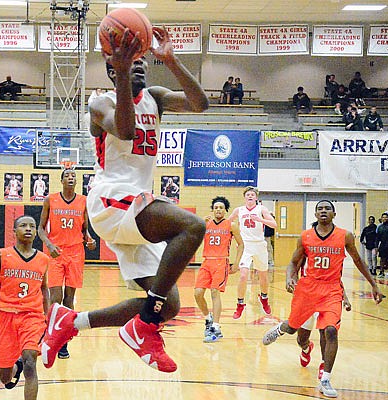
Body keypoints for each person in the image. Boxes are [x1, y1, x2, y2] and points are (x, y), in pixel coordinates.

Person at [40, 26, 209, 373]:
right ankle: (144, 327)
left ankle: (70, 322)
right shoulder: (100, 103)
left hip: (135, 204)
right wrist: (121, 76)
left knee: (170, 305)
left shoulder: (156, 97)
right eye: (133, 61)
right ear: (112, 68)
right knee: (192, 226)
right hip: (111, 200)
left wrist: (173, 62)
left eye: (144, 60)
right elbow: (127, 131)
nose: (141, 65)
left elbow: (200, 104)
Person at [262, 200, 382, 398]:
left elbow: (358, 261)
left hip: (331, 290)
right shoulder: (306, 236)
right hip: (308, 289)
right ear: (315, 214)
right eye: (320, 209)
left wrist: (374, 284)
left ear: (334, 214)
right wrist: (289, 277)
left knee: (331, 331)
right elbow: (293, 262)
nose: (323, 211)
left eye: (327, 208)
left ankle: (325, 379)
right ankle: (281, 329)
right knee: (295, 329)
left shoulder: (345, 236)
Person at [0, 215, 50, 400]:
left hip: (32, 317)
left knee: (30, 362)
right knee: (6, 379)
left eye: (32, 226)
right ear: (14, 231)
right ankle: (14, 367)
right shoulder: (2, 256)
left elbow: (44, 288)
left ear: (36, 232)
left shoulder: (43, 259)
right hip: (5, 316)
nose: (28, 229)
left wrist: (47, 315)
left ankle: (22, 364)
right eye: (23, 225)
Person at [37, 168, 96, 359]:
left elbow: (85, 229)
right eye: (68, 176)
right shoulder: (50, 200)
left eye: (74, 176)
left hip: (76, 253)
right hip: (56, 253)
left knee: (69, 299)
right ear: (61, 180)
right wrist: (48, 244)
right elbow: (40, 229)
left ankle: (63, 341)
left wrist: (90, 239)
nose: (71, 178)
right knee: (55, 297)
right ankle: (50, 334)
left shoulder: (83, 201)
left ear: (76, 182)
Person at [194, 196, 243, 342]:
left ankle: (216, 327)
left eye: (221, 207)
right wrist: (200, 223)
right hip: (206, 262)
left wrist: (236, 263)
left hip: (221, 262)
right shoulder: (207, 224)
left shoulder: (231, 225)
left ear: (225, 210)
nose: (218, 210)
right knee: (198, 293)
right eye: (216, 208)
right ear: (212, 210)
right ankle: (208, 319)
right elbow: (194, 235)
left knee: (215, 292)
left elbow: (241, 244)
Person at [228, 187, 277, 319]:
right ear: (245, 197)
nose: (250, 196)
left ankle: (264, 298)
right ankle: (240, 304)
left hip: (260, 245)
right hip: (245, 246)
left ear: (256, 198)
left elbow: (274, 224)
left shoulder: (262, 209)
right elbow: (228, 223)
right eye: (248, 194)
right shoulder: (239, 210)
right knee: (243, 275)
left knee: (263, 276)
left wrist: (261, 220)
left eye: (252, 195)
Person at [376, 213, 388, 278]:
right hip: (382, 245)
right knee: (382, 259)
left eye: (386, 217)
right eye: (383, 217)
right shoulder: (380, 227)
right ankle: (381, 272)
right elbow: (377, 238)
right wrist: (376, 246)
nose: (384, 218)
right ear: (381, 218)